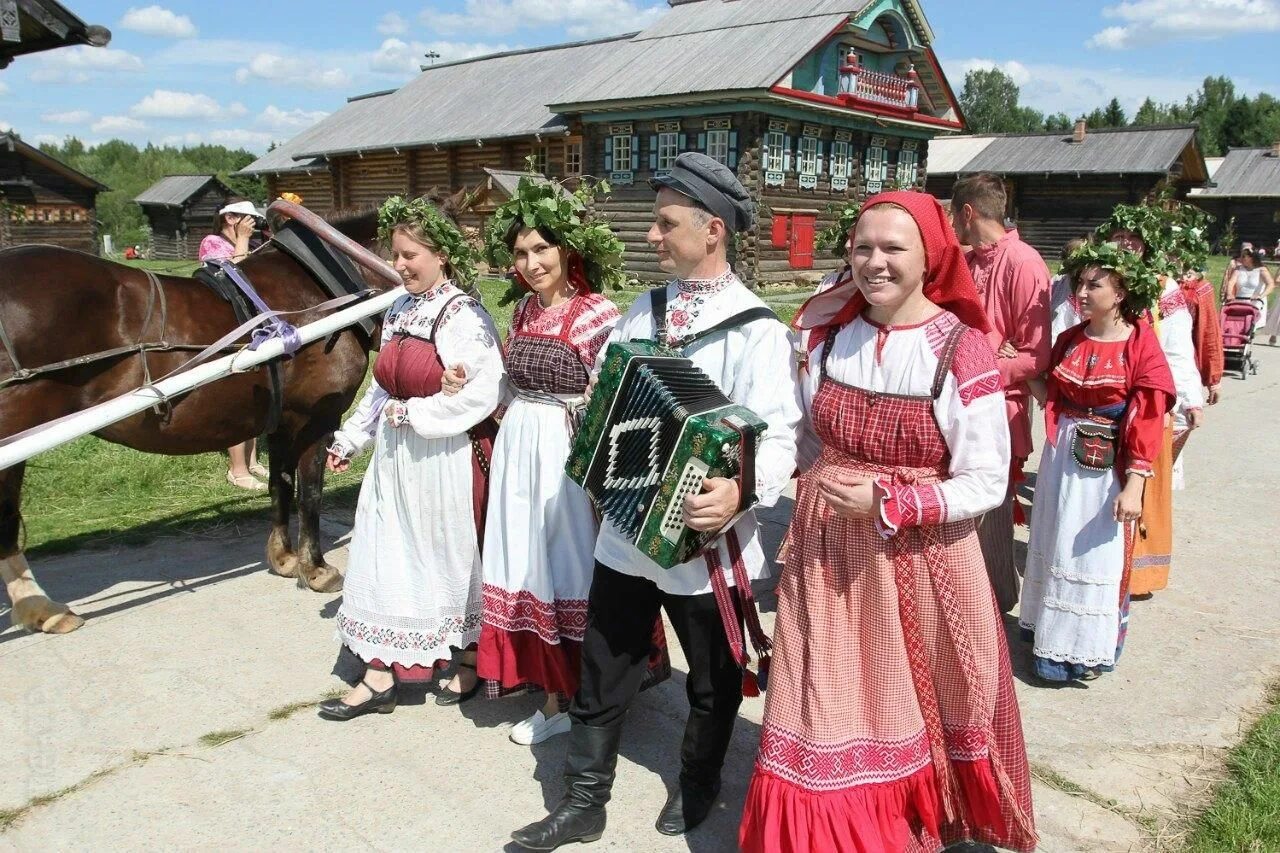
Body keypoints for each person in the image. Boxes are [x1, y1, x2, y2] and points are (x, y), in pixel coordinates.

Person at [509, 152, 801, 850]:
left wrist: (740, 488)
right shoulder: (645, 310)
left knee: (711, 675)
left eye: (666, 223)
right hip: (626, 530)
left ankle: (698, 782)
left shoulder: (755, 327)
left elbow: (781, 433)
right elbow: (612, 390)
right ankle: (584, 801)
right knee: (604, 663)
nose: (653, 236)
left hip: (708, 540)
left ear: (713, 230)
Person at [739, 191, 1036, 853]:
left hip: (920, 558)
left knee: (914, 695)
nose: (874, 261)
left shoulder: (961, 350)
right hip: (827, 551)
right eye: (863, 246)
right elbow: (809, 439)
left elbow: (987, 479)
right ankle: (834, 831)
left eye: (893, 247)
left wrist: (895, 503)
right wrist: (773, 485)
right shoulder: (829, 334)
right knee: (824, 696)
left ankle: (908, 820)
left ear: (930, 256)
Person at [317, 195, 505, 721]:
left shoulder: (461, 314)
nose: (398, 266)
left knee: (443, 556)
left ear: (441, 254)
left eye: (408, 256)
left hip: (443, 458)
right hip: (397, 459)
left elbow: (481, 391)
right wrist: (353, 436)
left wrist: (415, 416)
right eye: (395, 255)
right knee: (386, 552)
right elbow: (383, 389)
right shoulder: (401, 307)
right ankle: (379, 673)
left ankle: (467, 654)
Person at [465, 176, 626, 746]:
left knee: (567, 563)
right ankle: (550, 691)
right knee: (523, 561)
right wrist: (473, 387)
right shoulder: (524, 313)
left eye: (541, 250)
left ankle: (582, 695)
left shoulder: (596, 313)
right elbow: (510, 386)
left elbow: (612, 392)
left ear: (567, 252)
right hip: (519, 450)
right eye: (520, 253)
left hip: (563, 449)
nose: (530, 263)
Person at [1020, 242, 1175, 683]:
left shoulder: (1139, 345)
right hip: (1061, 458)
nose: (1082, 292)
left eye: (1095, 284)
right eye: (1080, 283)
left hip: (1104, 465)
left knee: (1091, 554)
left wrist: (1135, 484)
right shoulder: (1071, 338)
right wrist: (1024, 368)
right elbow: (1052, 396)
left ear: (1122, 292)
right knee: (1054, 538)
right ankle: (1047, 634)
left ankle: (1079, 650)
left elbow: (1147, 418)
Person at [950, 173, 1051, 614]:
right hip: (958, 406)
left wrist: (985, 364)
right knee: (962, 517)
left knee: (991, 516)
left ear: (967, 213)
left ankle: (993, 607)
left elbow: (1035, 356)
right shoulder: (968, 262)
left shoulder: (1025, 263)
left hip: (1002, 413)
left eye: (954, 216)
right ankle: (971, 605)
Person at [1101, 207, 1202, 595]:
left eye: (1135, 238)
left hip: (1148, 401)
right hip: (1104, 399)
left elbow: (1177, 347)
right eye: (1121, 236)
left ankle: (1138, 574)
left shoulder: (1164, 288)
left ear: (1146, 246)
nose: (1127, 244)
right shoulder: (1094, 282)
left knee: (1143, 483)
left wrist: (1190, 398)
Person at [199, 199, 268, 491]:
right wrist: (242, 240)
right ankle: (236, 469)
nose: (252, 224)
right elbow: (232, 277)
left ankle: (251, 461)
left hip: (248, 321)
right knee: (237, 395)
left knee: (252, 391)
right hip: (224, 323)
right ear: (230, 218)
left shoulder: (244, 241)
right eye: (247, 219)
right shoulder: (211, 242)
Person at [1225, 248, 1275, 329]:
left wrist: (1261, 295)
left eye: (1244, 256)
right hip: (1240, 300)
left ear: (1251, 258)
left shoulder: (1262, 270)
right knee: (1237, 326)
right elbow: (1231, 282)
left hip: (1255, 302)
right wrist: (1230, 294)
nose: (1241, 258)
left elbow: (1271, 284)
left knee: (1251, 327)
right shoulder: (1238, 269)